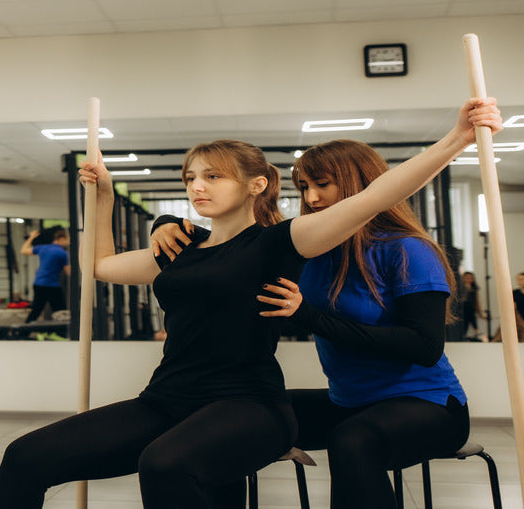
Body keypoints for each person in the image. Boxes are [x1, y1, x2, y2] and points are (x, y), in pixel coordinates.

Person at [0, 98, 501, 508]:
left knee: (165, 464)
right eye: (190, 177)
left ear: (258, 184)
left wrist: (455, 139)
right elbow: (103, 267)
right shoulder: (178, 246)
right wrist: (106, 198)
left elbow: (373, 197)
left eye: (213, 175)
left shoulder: (280, 243)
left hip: (247, 399)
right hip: (167, 398)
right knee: (25, 456)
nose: (197, 187)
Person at [151, 136, 488, 509]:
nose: (311, 198)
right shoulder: (312, 252)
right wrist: (166, 223)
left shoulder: (406, 249)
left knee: (353, 440)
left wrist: (309, 317)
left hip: (428, 405)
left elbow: (423, 348)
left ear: (361, 182)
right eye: (304, 187)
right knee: (223, 419)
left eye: (322, 185)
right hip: (346, 403)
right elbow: (238, 246)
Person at [20, 227, 70, 323]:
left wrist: (32, 237)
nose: (68, 243)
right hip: (52, 285)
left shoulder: (43, 248)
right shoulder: (62, 253)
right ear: (62, 239)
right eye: (68, 240)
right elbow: (69, 272)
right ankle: (62, 333)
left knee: (36, 310)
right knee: (61, 311)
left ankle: (23, 333)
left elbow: (23, 250)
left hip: (39, 284)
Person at [459, 271, 487, 340]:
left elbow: (476, 301)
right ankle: (476, 330)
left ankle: (475, 331)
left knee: (470, 313)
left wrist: (480, 313)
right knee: (467, 315)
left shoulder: (474, 288)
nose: (469, 279)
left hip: (471, 309)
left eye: (471, 278)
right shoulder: (460, 288)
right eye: (467, 278)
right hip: (463, 309)